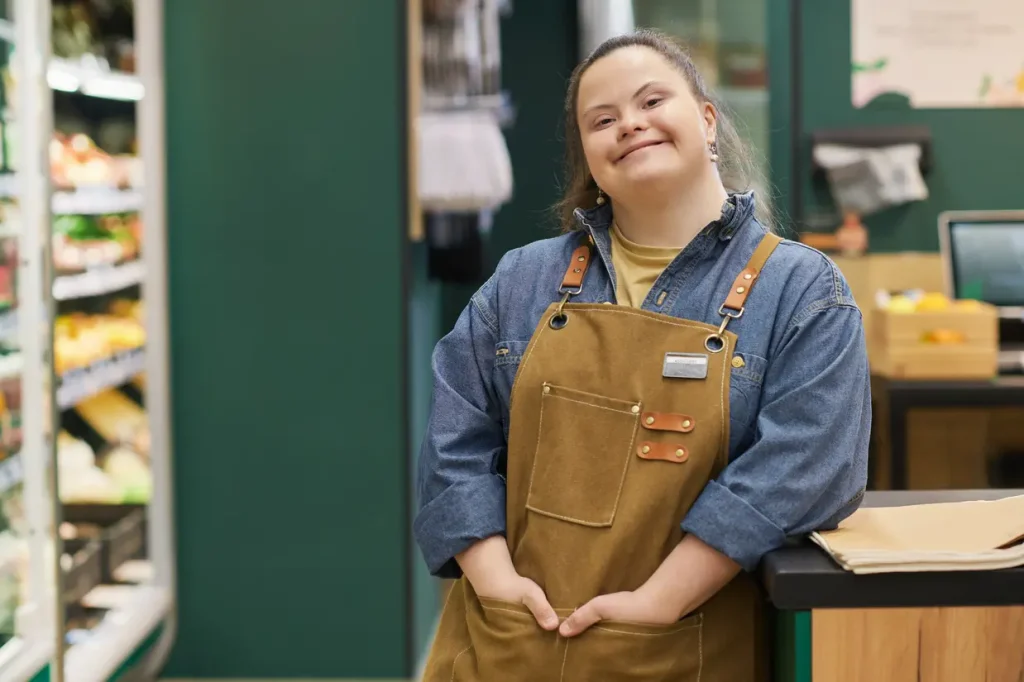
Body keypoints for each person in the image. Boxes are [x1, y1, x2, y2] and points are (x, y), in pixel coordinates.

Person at [414, 29, 870, 681]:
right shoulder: (522, 282)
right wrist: (496, 584)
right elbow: (453, 440)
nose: (629, 124)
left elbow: (808, 466)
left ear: (708, 120)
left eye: (652, 101)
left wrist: (659, 602)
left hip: (683, 646)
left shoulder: (802, 291)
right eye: (603, 120)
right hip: (509, 642)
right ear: (589, 157)